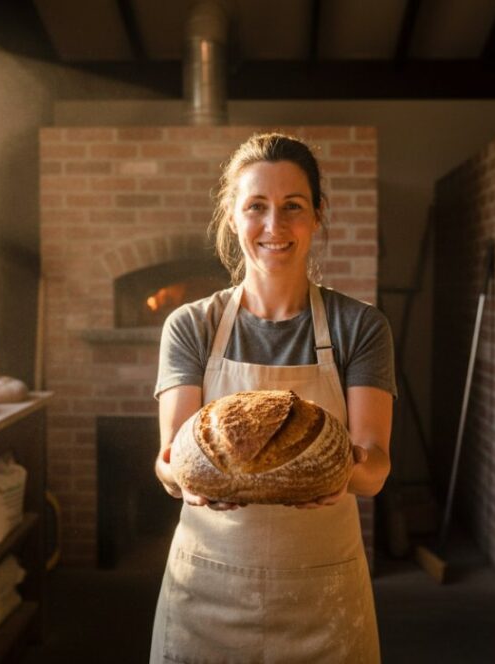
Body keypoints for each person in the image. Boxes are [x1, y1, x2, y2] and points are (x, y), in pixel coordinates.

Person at [150, 132, 396, 663]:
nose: (274, 227)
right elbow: (170, 460)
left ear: (318, 215)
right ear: (233, 216)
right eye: (256, 206)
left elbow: (374, 469)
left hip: (322, 593)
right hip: (207, 590)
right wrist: (187, 483)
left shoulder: (361, 327)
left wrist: (338, 473)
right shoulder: (191, 325)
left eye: (293, 207)